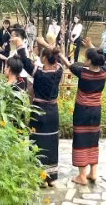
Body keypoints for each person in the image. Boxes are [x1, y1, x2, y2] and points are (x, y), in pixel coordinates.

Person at [57, 39, 106, 185]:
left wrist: (60, 54)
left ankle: (82, 176)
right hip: (96, 110)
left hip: (82, 111)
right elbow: (101, 60)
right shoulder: (104, 71)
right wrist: (92, 46)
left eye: (86, 58)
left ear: (90, 61)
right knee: (93, 139)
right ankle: (93, 172)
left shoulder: (83, 73)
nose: (84, 60)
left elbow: (68, 64)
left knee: (81, 140)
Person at [18, 42, 62, 186]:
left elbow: (24, 61)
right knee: (51, 142)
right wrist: (46, 45)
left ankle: (39, 177)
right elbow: (58, 56)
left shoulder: (39, 73)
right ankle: (51, 177)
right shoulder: (58, 71)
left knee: (38, 141)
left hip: (38, 110)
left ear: (43, 59)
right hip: (53, 111)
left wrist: (19, 44)